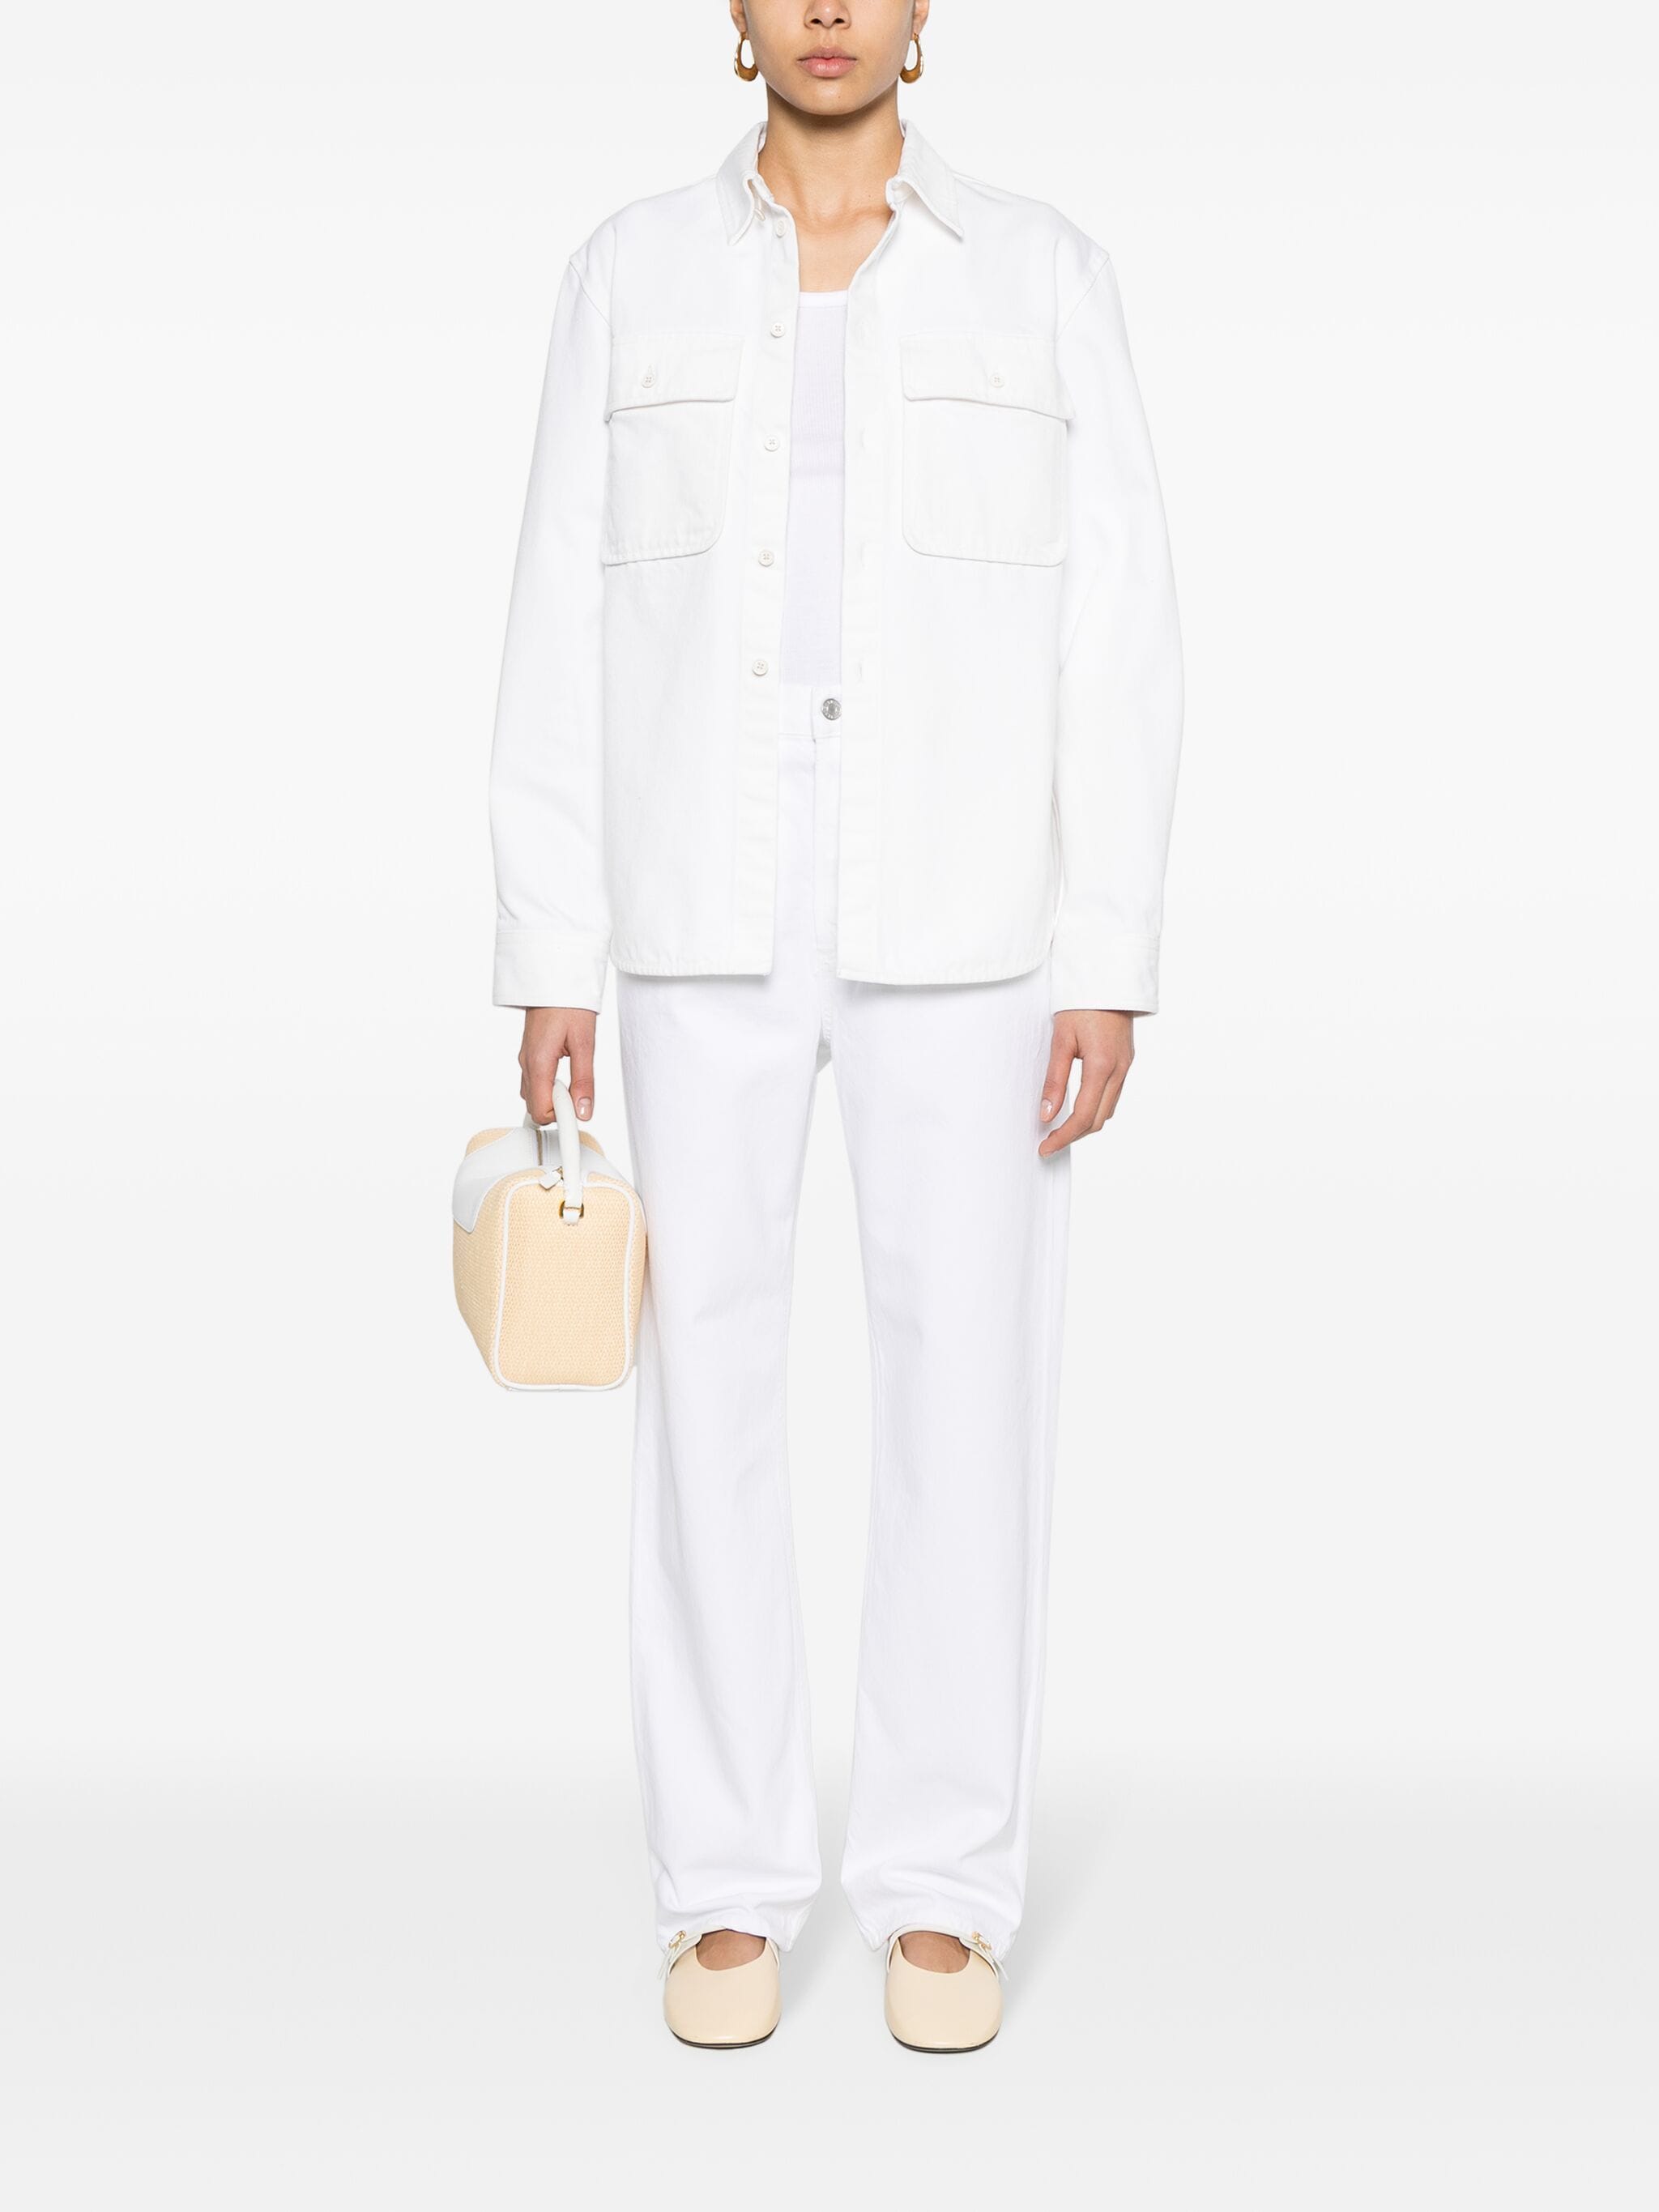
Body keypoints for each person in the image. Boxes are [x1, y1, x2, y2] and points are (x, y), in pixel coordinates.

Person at [488, 0, 1182, 2052]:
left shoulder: (1042, 274)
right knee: (699, 1385)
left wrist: (1106, 946)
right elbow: (555, 603)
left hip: (965, 906)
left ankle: (940, 1890)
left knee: (966, 1385)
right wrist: (548, 940)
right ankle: (724, 1887)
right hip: (695, 892)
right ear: (732, 13)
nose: (824, 11)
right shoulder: (626, 271)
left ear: (921, 12)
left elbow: (1121, 625)